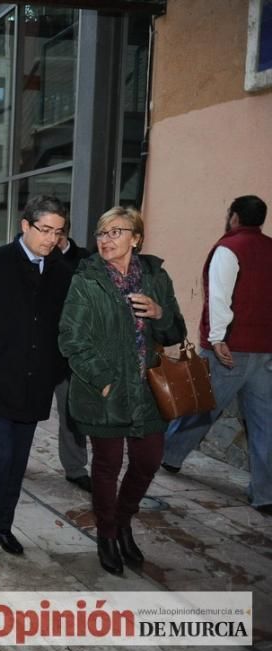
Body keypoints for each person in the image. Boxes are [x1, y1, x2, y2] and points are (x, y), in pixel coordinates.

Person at [59, 206, 186, 576]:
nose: (106, 239)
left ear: (137, 238)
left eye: (116, 232)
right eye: (101, 233)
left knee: (147, 461)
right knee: (106, 467)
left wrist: (160, 315)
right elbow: (71, 338)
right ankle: (107, 534)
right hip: (105, 392)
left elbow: (176, 331)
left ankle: (124, 520)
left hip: (148, 391)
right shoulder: (87, 279)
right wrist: (103, 379)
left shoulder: (156, 277)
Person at [0, 195, 73, 568]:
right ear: (25, 226)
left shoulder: (61, 271)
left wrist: (56, 369)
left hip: (34, 387)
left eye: (58, 232)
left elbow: (63, 328)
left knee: (18, 463)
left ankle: (4, 527)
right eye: (44, 230)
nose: (51, 239)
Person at [162, 195, 271, 514]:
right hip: (265, 350)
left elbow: (220, 295)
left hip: (231, 348)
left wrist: (217, 337)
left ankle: (169, 457)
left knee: (201, 406)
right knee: (266, 424)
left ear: (234, 217)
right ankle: (265, 493)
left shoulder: (229, 248)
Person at [54, 220, 92, 492]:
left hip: (70, 351)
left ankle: (75, 468)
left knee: (72, 411)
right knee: (23, 409)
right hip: (37, 348)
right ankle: (12, 460)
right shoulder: (31, 256)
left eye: (54, 230)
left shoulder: (85, 260)